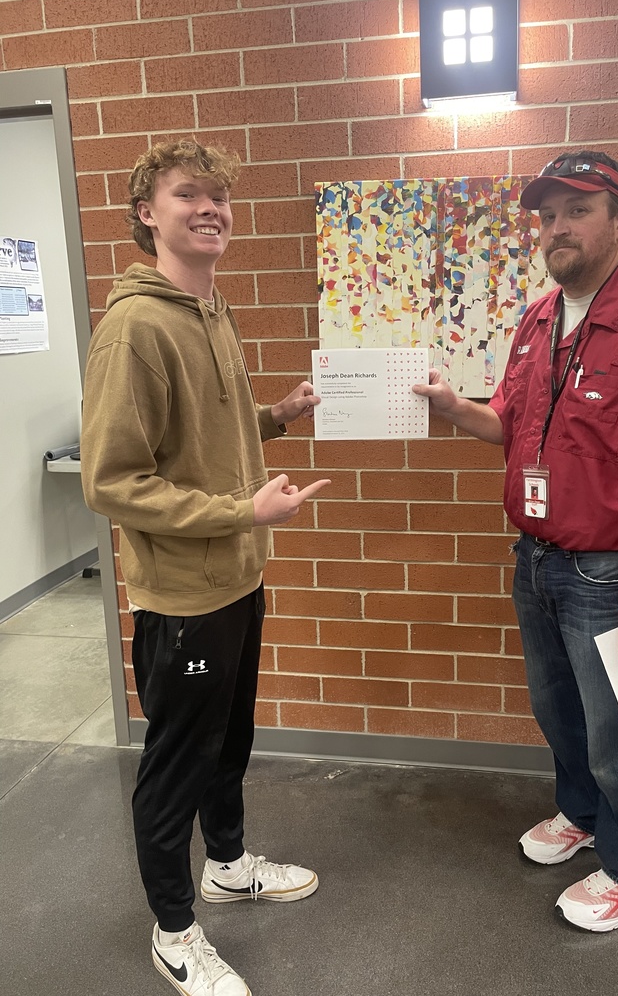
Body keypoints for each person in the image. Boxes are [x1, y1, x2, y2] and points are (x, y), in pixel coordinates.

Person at [414, 150, 618, 933]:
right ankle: (584, 815)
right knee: (561, 713)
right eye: (548, 214)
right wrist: (457, 408)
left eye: (578, 210)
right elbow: (512, 424)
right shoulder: (538, 317)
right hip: (537, 558)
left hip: (614, 569)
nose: (557, 228)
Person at [81, 139, 330, 996]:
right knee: (177, 764)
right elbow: (112, 481)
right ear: (148, 213)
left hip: (239, 582)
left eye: (220, 196)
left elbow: (202, 440)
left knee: (228, 745)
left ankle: (225, 866)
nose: (211, 208)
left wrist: (278, 416)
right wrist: (242, 512)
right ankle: (176, 930)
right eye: (190, 194)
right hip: (184, 599)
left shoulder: (208, 309)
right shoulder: (136, 327)